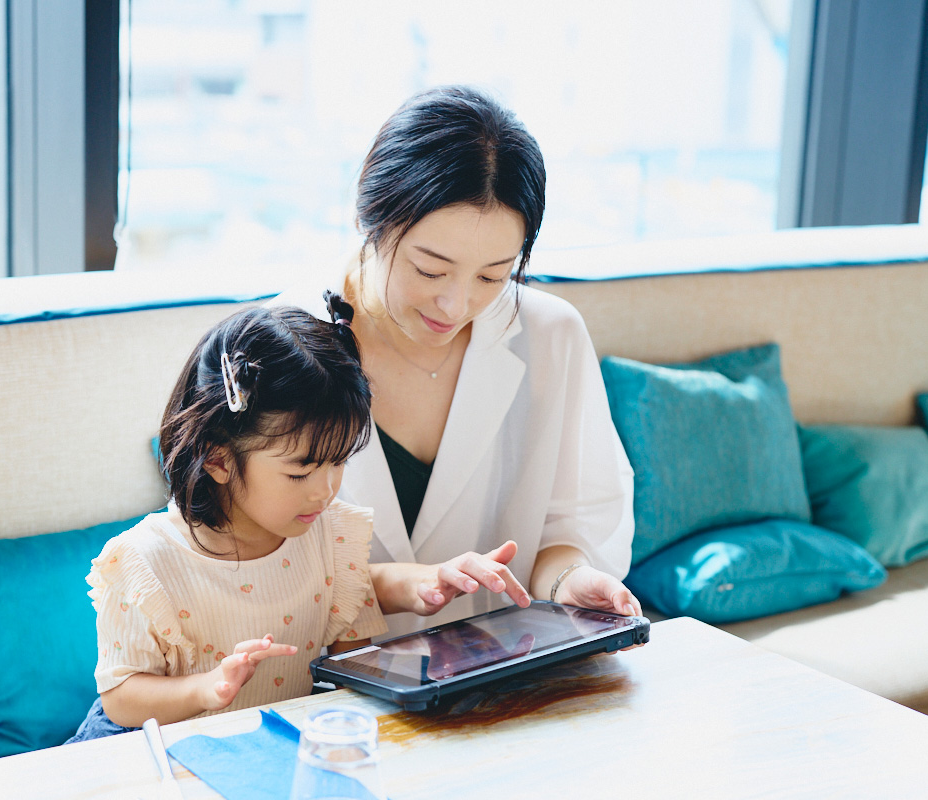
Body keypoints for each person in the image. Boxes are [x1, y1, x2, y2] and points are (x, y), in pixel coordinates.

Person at [66, 294, 530, 741]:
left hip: (268, 748)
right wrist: (207, 689)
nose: (326, 489)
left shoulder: (324, 532)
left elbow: (348, 617)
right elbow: (120, 699)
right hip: (151, 752)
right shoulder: (143, 562)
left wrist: (427, 583)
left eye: (339, 461)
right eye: (301, 471)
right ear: (218, 460)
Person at [275, 85, 642, 638]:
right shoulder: (280, 346)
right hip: (319, 690)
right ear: (367, 218)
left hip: (496, 677)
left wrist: (569, 579)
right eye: (429, 269)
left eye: (494, 275)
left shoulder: (551, 335)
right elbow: (240, 565)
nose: (457, 305)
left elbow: (575, 522)